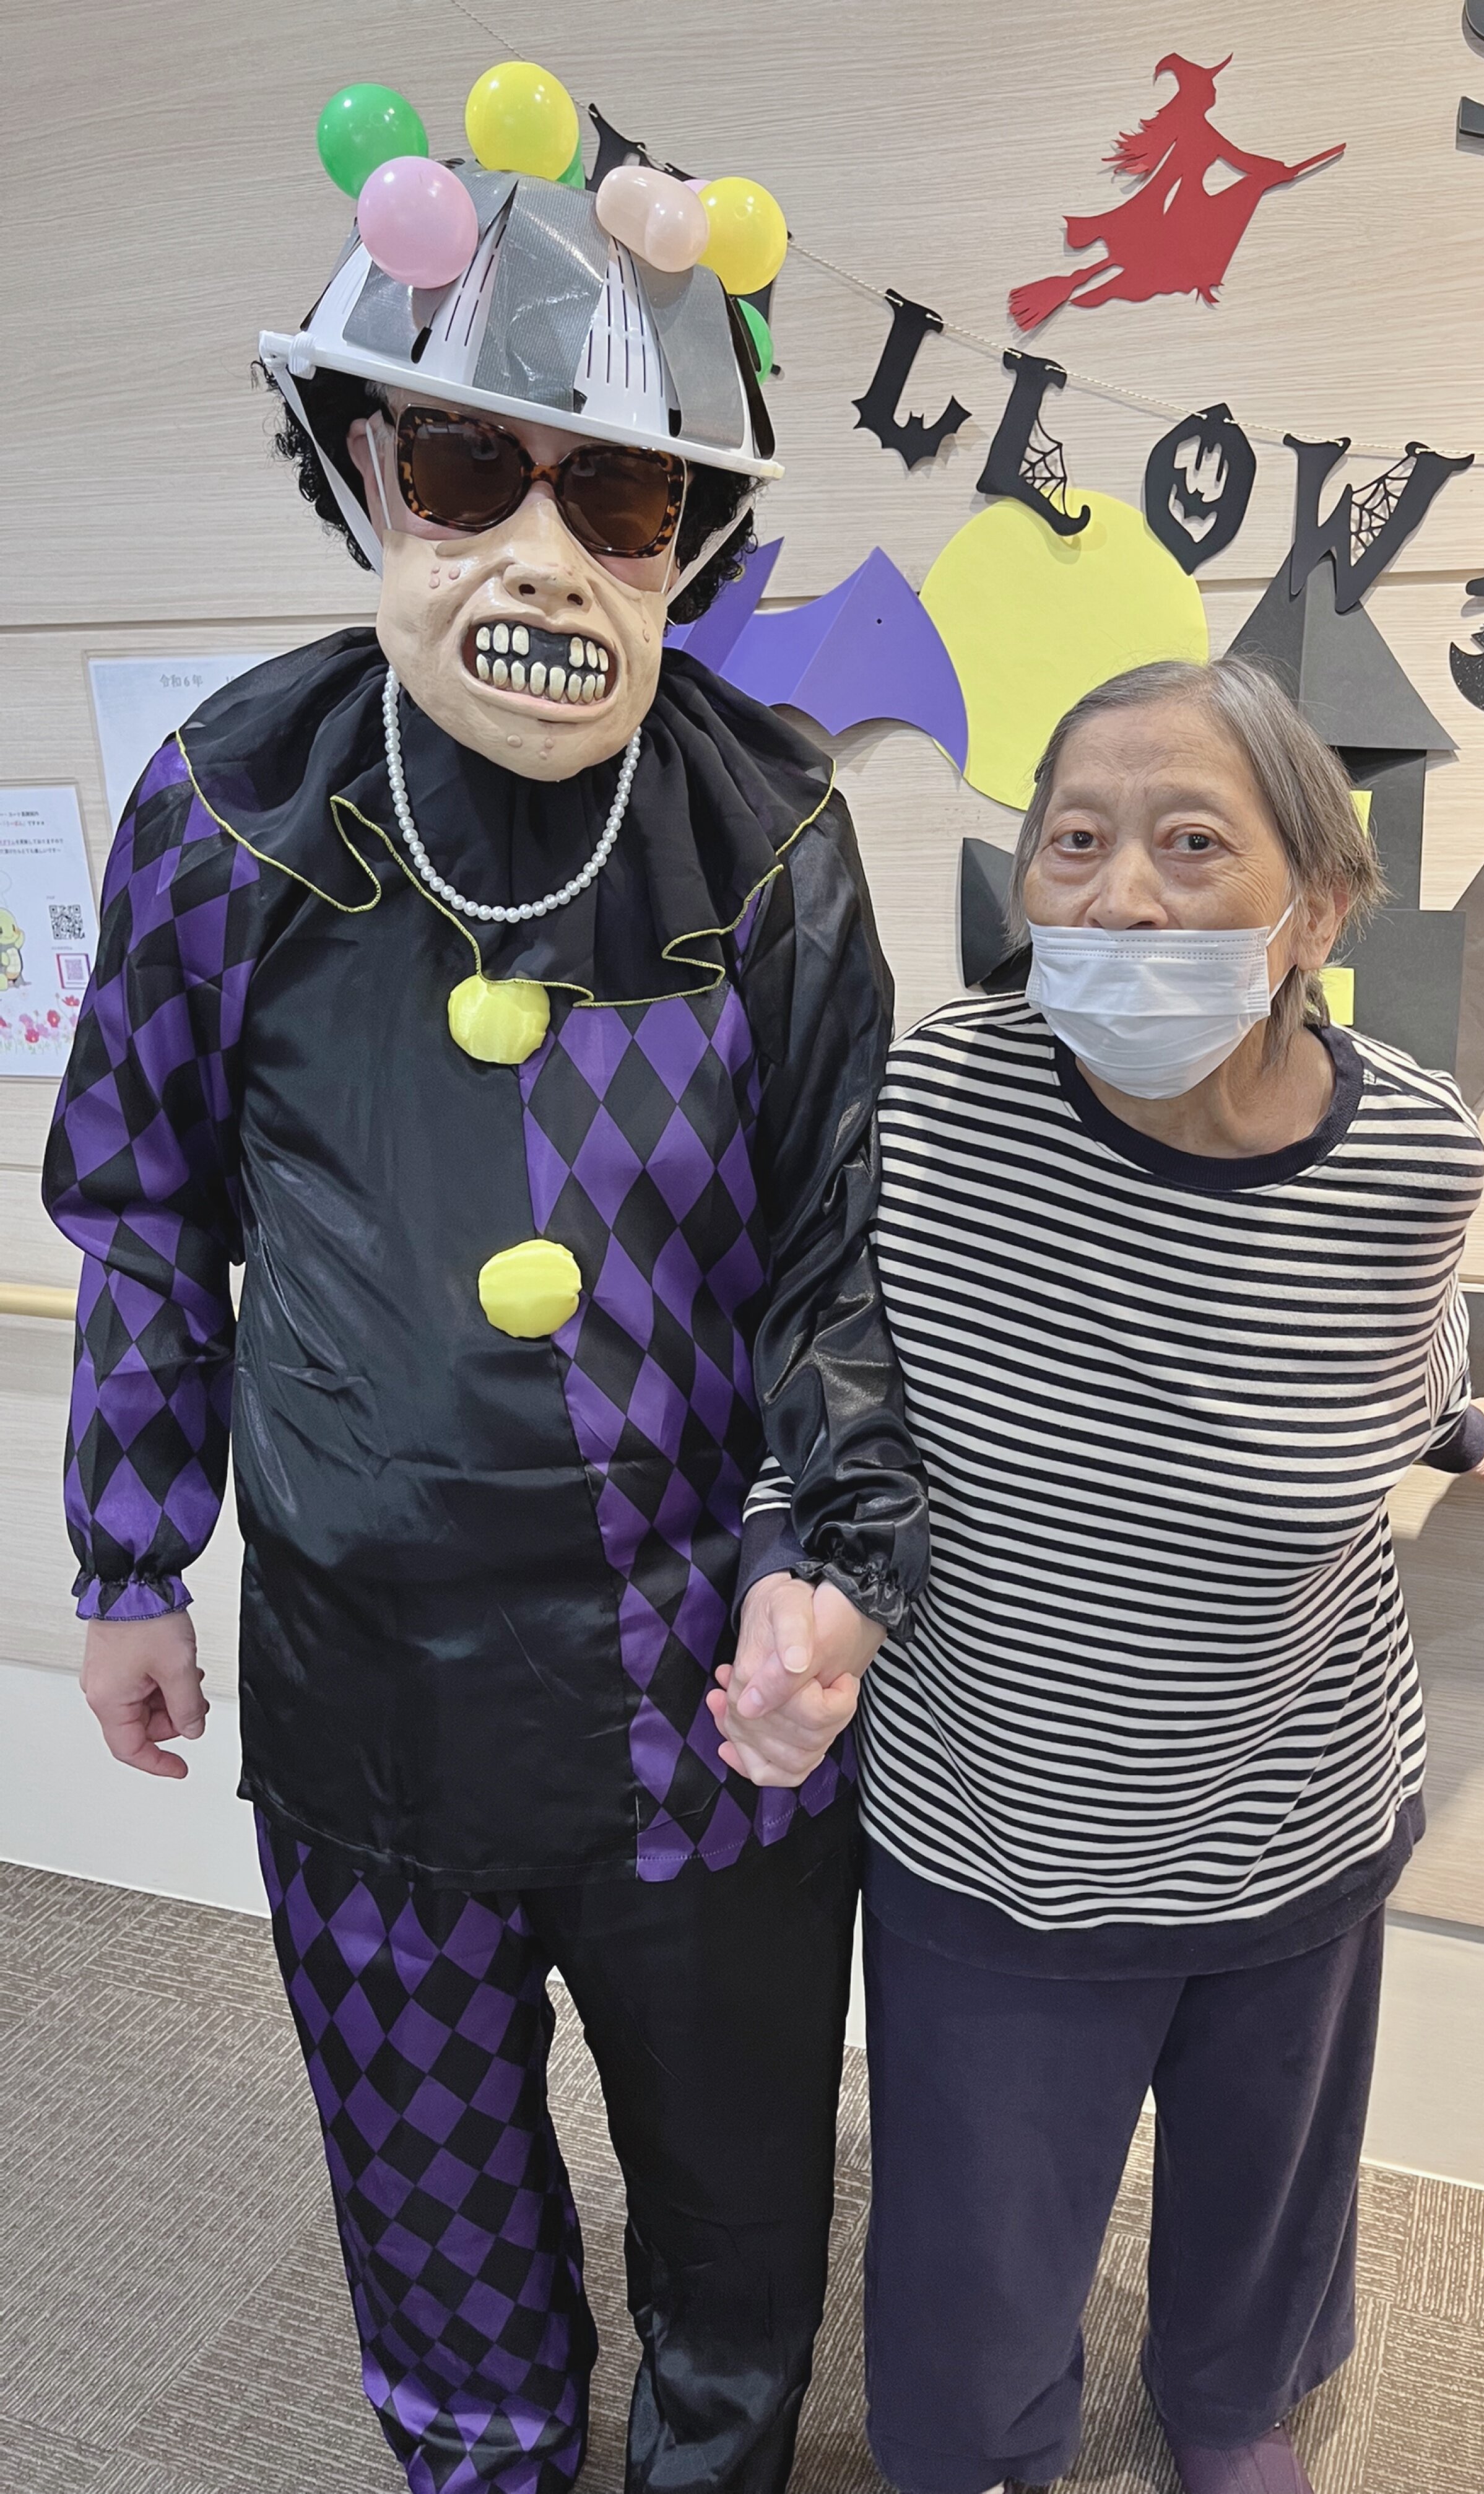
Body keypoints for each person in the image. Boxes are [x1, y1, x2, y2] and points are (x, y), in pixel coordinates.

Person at [45, 148, 924, 2494]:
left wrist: (830, 1562)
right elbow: (148, 1203)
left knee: (740, 2199)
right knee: (428, 2198)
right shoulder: (232, 802)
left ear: (688, 541)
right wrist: (129, 1558)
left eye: (616, 493)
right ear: (366, 473)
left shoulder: (770, 824)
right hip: (373, 1691)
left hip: (702, 1693)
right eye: (465, 469)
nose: (541, 552)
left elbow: (840, 1248)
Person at [715, 656, 1484, 2494]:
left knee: (1268, 2179)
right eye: (1074, 843)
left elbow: (1386, 1358)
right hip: (995, 1814)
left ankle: (1232, 2402)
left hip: (1295, 1787)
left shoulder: (1416, 1150)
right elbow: (828, 1395)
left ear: (1317, 904)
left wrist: (1458, 1424)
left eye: (1193, 843)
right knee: (976, 2257)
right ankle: (985, 2451)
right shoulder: (936, 1104)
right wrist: (787, 1579)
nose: (1119, 897)